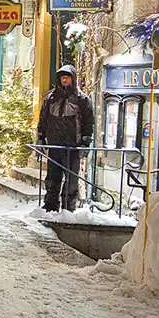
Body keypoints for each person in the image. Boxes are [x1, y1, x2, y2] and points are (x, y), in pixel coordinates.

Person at [37, 64, 94, 212]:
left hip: (72, 146)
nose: (64, 80)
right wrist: (41, 138)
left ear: (72, 79)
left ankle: (68, 208)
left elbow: (88, 122)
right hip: (54, 146)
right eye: (62, 78)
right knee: (52, 178)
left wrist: (85, 142)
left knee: (71, 180)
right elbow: (43, 119)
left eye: (67, 78)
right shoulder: (51, 99)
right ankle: (50, 205)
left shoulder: (82, 99)